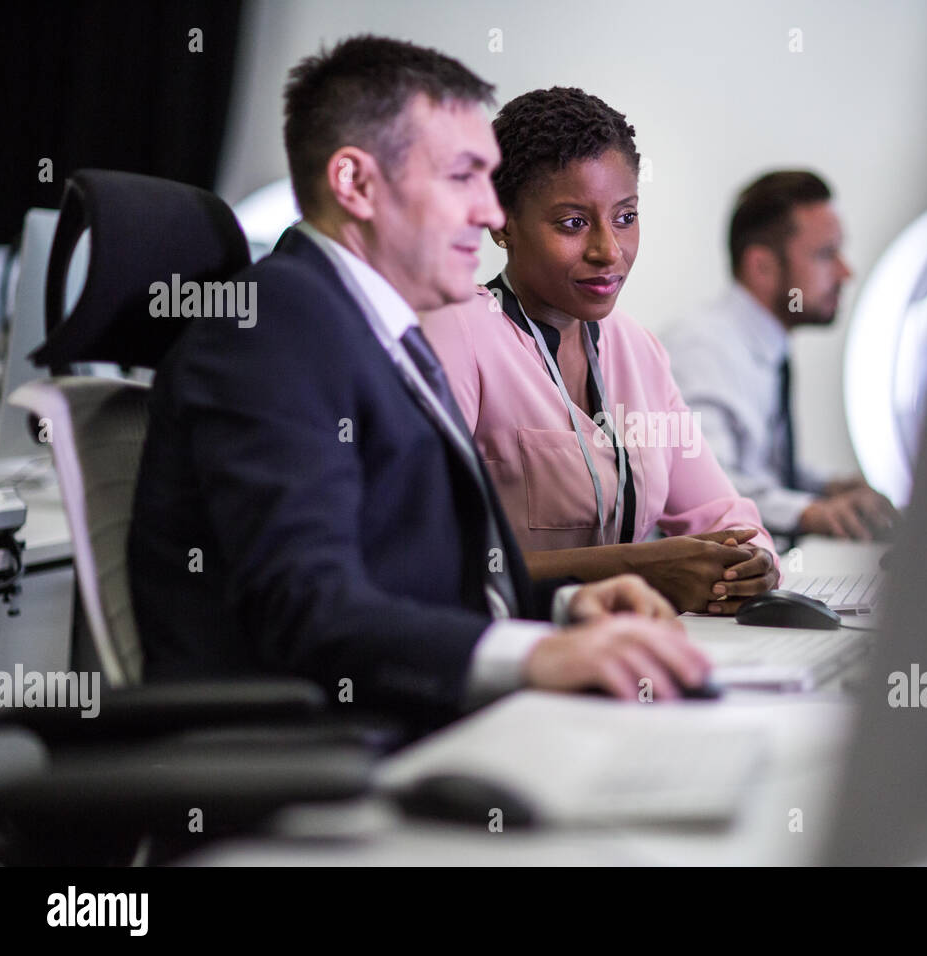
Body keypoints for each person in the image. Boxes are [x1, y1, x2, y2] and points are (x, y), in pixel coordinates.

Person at [128, 36, 710, 732]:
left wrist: (562, 611)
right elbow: (310, 607)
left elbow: (408, 577)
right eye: (462, 178)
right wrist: (532, 658)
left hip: (420, 724)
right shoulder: (272, 331)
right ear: (357, 184)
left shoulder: (382, 331)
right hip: (322, 763)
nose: (492, 214)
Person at [420, 87, 778, 616]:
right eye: (573, 223)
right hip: (504, 666)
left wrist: (755, 562)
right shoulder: (457, 334)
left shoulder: (638, 350)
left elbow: (720, 514)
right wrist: (639, 568)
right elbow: (431, 562)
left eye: (625, 217)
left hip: (629, 658)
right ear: (501, 223)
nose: (608, 251)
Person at [664, 171, 900, 542]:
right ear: (762, 267)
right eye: (826, 254)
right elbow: (705, 489)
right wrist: (809, 513)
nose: (845, 272)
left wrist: (829, 487)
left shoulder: (764, 344)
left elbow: (760, 468)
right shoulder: (702, 350)